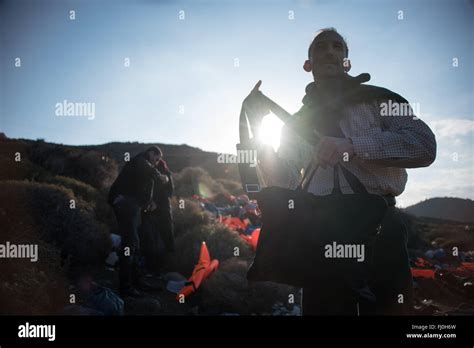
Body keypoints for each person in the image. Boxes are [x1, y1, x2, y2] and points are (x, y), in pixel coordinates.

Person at [245, 28, 437, 315]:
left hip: (380, 227)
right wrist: (258, 135)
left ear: (346, 61)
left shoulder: (380, 100)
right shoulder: (295, 124)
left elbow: (423, 145)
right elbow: (284, 181)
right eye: (321, 47)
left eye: (337, 47)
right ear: (307, 64)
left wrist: (352, 145)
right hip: (319, 230)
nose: (330, 51)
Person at [108, 146, 169, 297]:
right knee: (130, 244)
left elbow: (141, 186)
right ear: (151, 153)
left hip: (132, 205)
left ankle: (135, 281)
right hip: (126, 204)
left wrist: (147, 203)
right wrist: (162, 177)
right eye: (157, 157)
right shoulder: (141, 161)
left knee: (134, 244)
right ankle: (126, 287)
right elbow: (150, 172)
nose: (158, 161)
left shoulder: (142, 164)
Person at [139, 158, 175, 276]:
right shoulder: (150, 173)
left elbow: (169, 191)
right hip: (151, 209)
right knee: (152, 237)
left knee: (159, 237)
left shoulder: (163, 174)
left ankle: (159, 267)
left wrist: (156, 203)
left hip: (160, 209)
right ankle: (154, 267)